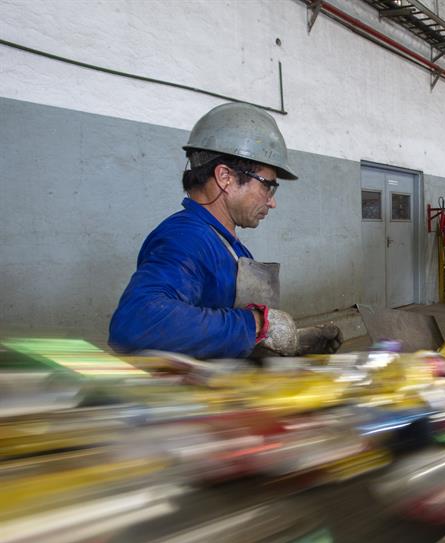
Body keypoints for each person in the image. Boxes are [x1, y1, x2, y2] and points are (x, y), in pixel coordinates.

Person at [108, 102, 341, 358]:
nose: (272, 201)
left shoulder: (228, 245)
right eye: (267, 186)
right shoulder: (186, 239)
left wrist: (287, 342)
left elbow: (218, 330)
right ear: (225, 177)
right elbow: (136, 323)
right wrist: (258, 324)